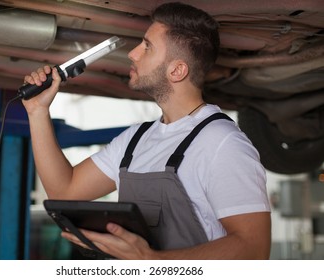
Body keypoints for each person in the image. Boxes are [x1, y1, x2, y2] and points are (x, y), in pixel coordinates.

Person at [22, 2, 271, 259]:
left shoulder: (222, 143)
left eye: (147, 46)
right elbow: (65, 191)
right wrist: (37, 111)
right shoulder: (135, 140)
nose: (133, 53)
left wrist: (151, 261)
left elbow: (254, 250)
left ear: (177, 70)